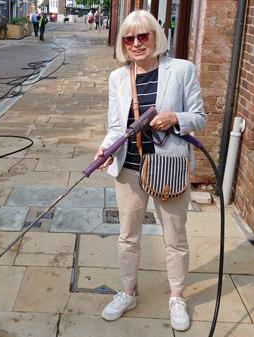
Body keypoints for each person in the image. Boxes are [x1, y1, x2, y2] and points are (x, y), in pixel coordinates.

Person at [94, 10, 205, 332]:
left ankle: (177, 296)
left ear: (157, 37)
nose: (136, 43)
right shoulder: (118, 77)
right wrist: (105, 149)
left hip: (168, 166)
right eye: (129, 38)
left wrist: (175, 118)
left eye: (143, 36)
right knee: (128, 237)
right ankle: (127, 292)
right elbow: (116, 126)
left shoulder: (182, 70)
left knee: (175, 237)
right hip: (129, 168)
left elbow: (199, 117)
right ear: (123, 43)